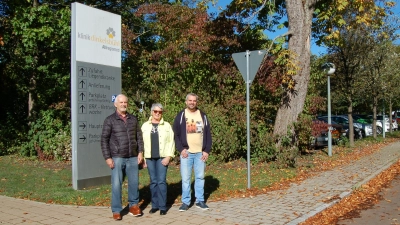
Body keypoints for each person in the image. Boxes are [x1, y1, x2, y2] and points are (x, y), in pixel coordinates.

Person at [101, 94, 144, 220]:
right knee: (116, 184)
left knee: (134, 183)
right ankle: (116, 209)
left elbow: (139, 137)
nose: (123, 104)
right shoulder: (110, 120)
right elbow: (104, 140)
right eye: (121, 102)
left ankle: (133, 206)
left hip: (132, 157)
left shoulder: (133, 119)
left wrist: (140, 152)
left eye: (125, 102)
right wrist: (107, 157)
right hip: (117, 156)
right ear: (116, 104)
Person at [173, 93, 212, 211]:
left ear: (197, 102)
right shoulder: (181, 116)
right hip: (186, 153)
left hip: (200, 153)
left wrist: (206, 150)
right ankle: (185, 202)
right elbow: (176, 135)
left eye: (194, 101)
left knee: (200, 177)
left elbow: (208, 134)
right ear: (186, 102)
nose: (192, 102)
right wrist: (181, 149)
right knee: (186, 178)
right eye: (190, 100)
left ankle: (200, 201)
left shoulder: (203, 115)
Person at [141, 103, 175, 215]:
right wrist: (143, 158)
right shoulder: (145, 126)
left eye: (160, 112)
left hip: (162, 158)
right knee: (153, 182)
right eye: (155, 111)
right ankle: (154, 205)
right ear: (151, 112)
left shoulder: (167, 126)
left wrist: (168, 157)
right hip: (149, 158)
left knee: (161, 182)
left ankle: (162, 206)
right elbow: (141, 143)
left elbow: (171, 142)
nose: (157, 114)